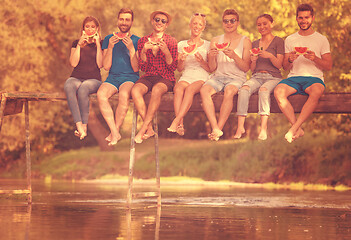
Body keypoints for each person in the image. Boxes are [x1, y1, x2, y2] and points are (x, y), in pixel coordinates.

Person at [274, 3, 332, 143]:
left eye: (306, 17)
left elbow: (328, 66)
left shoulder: (321, 39)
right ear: (296, 19)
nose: (303, 20)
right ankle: (297, 128)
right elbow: (285, 67)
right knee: (278, 91)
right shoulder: (290, 39)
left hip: (314, 79)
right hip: (294, 78)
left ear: (312, 18)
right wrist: (290, 59)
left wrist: (315, 58)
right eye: (300, 18)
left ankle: (294, 129)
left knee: (317, 91)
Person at [200, 9, 251, 141]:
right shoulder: (215, 40)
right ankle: (215, 126)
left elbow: (246, 68)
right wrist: (211, 57)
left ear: (237, 23)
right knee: (204, 90)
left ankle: (219, 128)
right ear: (223, 23)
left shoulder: (245, 41)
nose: (229, 23)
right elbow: (212, 68)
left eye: (232, 21)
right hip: (217, 77)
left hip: (236, 78)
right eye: (226, 21)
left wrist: (234, 56)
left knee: (229, 91)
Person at [234, 14, 284, 140]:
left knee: (264, 91)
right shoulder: (254, 43)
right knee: (244, 89)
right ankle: (240, 126)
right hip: (256, 76)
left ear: (271, 24)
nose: (262, 27)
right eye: (259, 25)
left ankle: (263, 128)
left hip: (273, 77)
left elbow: (279, 65)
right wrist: (254, 60)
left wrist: (270, 56)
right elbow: (252, 69)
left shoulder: (279, 41)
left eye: (265, 23)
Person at [131, 10, 178, 143]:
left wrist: (166, 52)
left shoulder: (171, 41)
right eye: (157, 20)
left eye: (163, 21)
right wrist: (144, 51)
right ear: (152, 21)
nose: (159, 23)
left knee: (157, 90)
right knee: (135, 90)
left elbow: (173, 67)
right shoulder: (142, 41)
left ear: (167, 25)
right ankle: (150, 128)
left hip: (166, 77)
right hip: (149, 75)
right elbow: (143, 67)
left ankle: (143, 128)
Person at [97, 8, 139, 146]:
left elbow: (136, 68)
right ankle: (115, 132)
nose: (124, 22)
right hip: (112, 77)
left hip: (130, 77)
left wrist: (132, 49)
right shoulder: (109, 39)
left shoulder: (137, 40)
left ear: (132, 22)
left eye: (127, 19)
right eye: (121, 19)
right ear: (117, 20)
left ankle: (115, 132)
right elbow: (106, 66)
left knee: (124, 94)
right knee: (101, 94)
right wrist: (110, 47)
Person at [167, 13, 210, 136]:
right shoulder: (181, 44)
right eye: (195, 23)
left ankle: (176, 120)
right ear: (190, 25)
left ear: (203, 27)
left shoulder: (208, 44)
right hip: (186, 75)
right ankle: (180, 124)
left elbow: (211, 68)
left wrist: (201, 61)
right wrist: (180, 60)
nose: (197, 26)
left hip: (202, 76)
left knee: (190, 89)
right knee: (178, 88)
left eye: (200, 24)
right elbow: (179, 69)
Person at [64, 16, 103, 140]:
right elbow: (73, 63)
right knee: (68, 85)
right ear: (83, 28)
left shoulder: (101, 43)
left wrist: (97, 44)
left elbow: (100, 64)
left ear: (97, 29)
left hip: (93, 80)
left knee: (83, 88)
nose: (90, 29)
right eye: (87, 26)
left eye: (93, 27)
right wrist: (80, 46)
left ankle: (84, 126)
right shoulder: (76, 43)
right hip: (76, 77)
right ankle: (79, 125)